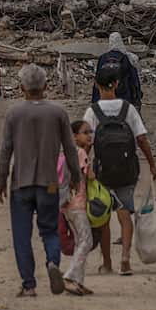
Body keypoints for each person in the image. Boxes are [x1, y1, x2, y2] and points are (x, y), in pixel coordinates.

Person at [0, 63, 80, 298]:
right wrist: (75, 177)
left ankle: (29, 284)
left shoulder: (14, 113)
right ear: (45, 86)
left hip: (21, 183)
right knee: (50, 230)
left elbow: (6, 150)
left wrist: (1, 180)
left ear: (22, 87)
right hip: (49, 182)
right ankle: (53, 262)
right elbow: (70, 149)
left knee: (22, 235)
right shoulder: (58, 113)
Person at [83, 69, 156, 276]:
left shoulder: (92, 111)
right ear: (116, 84)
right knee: (125, 211)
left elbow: (86, 143)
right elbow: (141, 139)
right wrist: (152, 164)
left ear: (95, 84)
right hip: (127, 170)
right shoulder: (129, 109)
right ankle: (125, 258)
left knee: (104, 216)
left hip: (102, 171)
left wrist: (82, 166)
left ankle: (107, 262)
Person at [61, 120, 96, 296]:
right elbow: (89, 177)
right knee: (87, 241)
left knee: (79, 241)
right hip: (78, 204)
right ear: (74, 136)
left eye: (90, 132)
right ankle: (70, 275)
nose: (89, 135)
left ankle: (79, 283)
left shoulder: (66, 152)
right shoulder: (81, 153)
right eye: (85, 132)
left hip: (67, 204)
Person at [92, 32, 143, 107]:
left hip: (105, 98)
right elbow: (134, 81)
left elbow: (98, 78)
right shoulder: (127, 58)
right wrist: (137, 98)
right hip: (124, 97)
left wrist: (95, 100)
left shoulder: (103, 58)